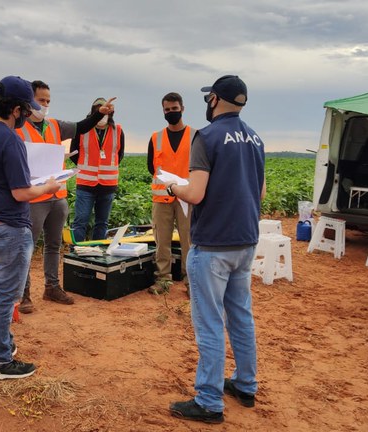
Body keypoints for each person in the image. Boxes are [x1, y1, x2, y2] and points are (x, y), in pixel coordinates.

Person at [167, 75, 266, 424]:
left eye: (209, 97)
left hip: (212, 245)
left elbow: (195, 194)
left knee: (209, 324)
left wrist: (174, 187)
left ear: (215, 100)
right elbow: (261, 193)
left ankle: (209, 401)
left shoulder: (206, 137)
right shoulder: (255, 138)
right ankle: (245, 384)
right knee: (241, 315)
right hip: (245, 241)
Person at [0, 75, 61, 381]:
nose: (28, 115)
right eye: (26, 110)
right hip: (8, 227)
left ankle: (2, 345)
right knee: (4, 298)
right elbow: (21, 193)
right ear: (16, 110)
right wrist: (48, 186)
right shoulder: (10, 139)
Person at [16, 81, 115, 313]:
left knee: (54, 245)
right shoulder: (17, 129)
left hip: (58, 195)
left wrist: (97, 114)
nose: (45, 105)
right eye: (41, 100)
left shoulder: (55, 125)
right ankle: (24, 293)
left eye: (48, 101)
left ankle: (51, 287)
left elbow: (82, 127)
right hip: (34, 198)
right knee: (27, 248)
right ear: (29, 101)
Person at [146, 92, 193, 295]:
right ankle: (163, 280)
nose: (171, 112)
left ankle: (191, 282)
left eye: (174, 109)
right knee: (161, 242)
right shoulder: (155, 138)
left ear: (182, 108)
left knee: (189, 242)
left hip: (188, 197)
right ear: (163, 111)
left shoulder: (196, 136)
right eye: (167, 110)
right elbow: (151, 167)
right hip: (161, 198)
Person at [69, 98, 125, 242]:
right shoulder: (83, 129)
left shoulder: (117, 130)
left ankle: (98, 253)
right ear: (94, 112)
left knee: (102, 223)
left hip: (108, 185)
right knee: (80, 221)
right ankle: (77, 252)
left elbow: (119, 155)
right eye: (99, 110)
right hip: (86, 184)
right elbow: (73, 153)